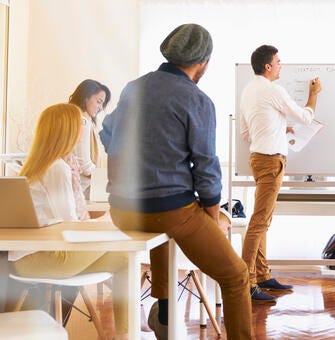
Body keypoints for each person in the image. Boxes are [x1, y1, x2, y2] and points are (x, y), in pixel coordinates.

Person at [100, 24, 252, 339]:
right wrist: (212, 214)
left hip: (122, 210)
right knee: (236, 276)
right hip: (169, 210)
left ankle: (166, 314)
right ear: (204, 61)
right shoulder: (196, 99)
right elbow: (206, 164)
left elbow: (107, 133)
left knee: (165, 230)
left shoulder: (134, 88)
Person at [9, 103, 129, 338]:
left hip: (29, 258)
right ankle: (125, 334)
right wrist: (105, 221)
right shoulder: (58, 169)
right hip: (47, 258)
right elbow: (71, 226)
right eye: (79, 128)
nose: (82, 134)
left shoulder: (37, 166)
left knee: (123, 258)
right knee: (122, 246)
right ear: (67, 132)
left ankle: (125, 333)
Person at [239, 44, 322, 302]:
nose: (280, 65)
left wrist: (278, 129)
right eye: (278, 61)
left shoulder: (248, 91)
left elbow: (246, 133)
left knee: (262, 220)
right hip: (271, 161)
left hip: (258, 157)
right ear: (268, 66)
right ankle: (246, 283)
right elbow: (305, 118)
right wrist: (314, 94)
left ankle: (262, 275)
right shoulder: (273, 89)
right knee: (259, 222)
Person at [68, 79, 111, 199]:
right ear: (85, 97)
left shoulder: (71, 118)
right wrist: (106, 178)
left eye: (102, 104)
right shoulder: (83, 122)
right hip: (83, 188)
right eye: (98, 101)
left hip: (71, 186)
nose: (100, 107)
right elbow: (84, 165)